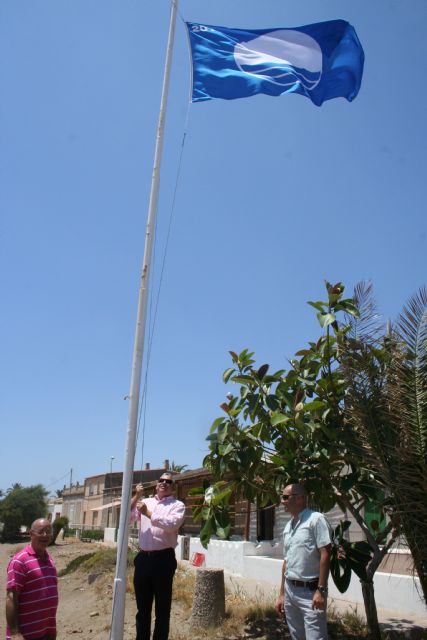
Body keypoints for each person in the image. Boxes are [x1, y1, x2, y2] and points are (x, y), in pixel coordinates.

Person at [130, 473, 185, 640]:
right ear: (156, 485)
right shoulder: (145, 502)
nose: (164, 483)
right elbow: (128, 516)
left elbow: (171, 525)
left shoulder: (177, 505)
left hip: (163, 560)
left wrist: (147, 513)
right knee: (143, 609)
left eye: (168, 482)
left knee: (162, 609)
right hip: (143, 559)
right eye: (161, 480)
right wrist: (137, 496)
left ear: (172, 487)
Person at [275, 484, 331, 640]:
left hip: (310, 593)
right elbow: (286, 562)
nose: (282, 501)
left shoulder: (316, 520)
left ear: (300, 498)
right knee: (296, 636)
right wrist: (281, 594)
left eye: (285, 497)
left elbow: (325, 555)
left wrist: (321, 591)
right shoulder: (288, 526)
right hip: (290, 591)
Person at [6, 518, 58, 640]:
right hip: (25, 636)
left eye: (48, 531)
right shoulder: (20, 561)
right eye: (41, 531)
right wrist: (14, 633)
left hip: (46, 633)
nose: (45, 535)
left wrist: (51, 629)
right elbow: (11, 597)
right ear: (31, 533)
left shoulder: (49, 559)